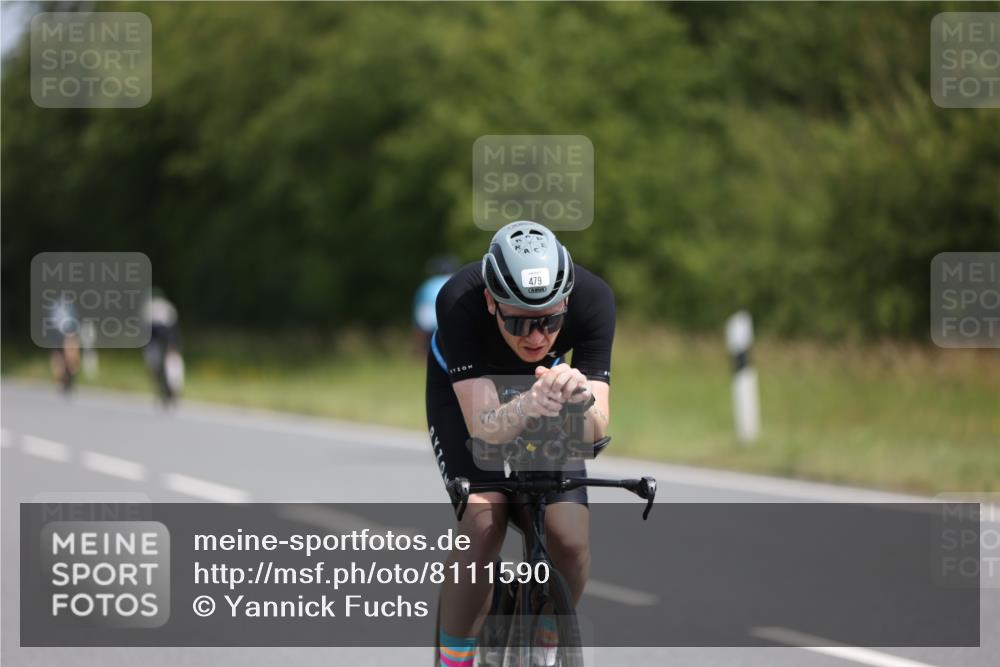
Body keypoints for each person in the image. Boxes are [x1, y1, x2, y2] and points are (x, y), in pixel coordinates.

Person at [427, 221, 614, 666]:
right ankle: (456, 658)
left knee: (567, 537)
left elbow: (597, 430)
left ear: (566, 300)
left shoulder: (593, 300)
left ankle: (547, 640)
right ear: (492, 301)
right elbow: (485, 429)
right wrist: (529, 403)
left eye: (550, 321)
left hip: (547, 392)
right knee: (483, 522)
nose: (536, 337)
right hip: (469, 399)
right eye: (519, 321)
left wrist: (582, 399)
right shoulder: (458, 301)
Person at [142, 289, 184, 407]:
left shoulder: (154, 311)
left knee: (168, 368)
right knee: (159, 369)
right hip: (158, 343)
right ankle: (166, 392)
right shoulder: (166, 309)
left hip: (163, 342)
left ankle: (169, 392)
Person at [413, 255, 459, 351]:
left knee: (428, 346)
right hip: (445, 315)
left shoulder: (427, 283)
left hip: (426, 317)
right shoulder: (455, 280)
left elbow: (418, 305)